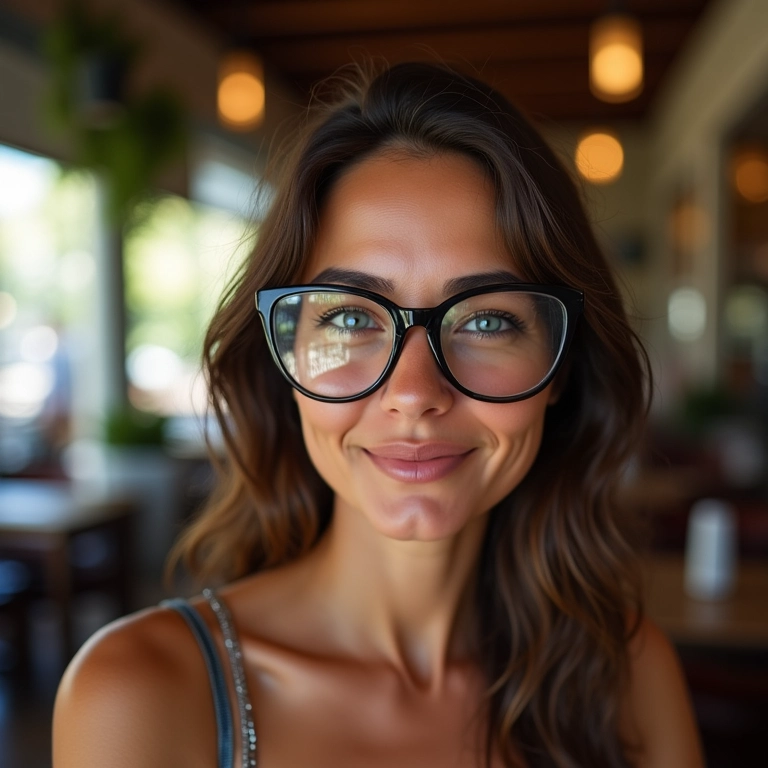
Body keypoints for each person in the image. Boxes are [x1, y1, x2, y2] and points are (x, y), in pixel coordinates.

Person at [53, 62, 704, 768]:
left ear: (560, 370)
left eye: (486, 321)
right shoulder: (142, 694)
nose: (414, 392)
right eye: (353, 318)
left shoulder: (631, 676)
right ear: (288, 364)